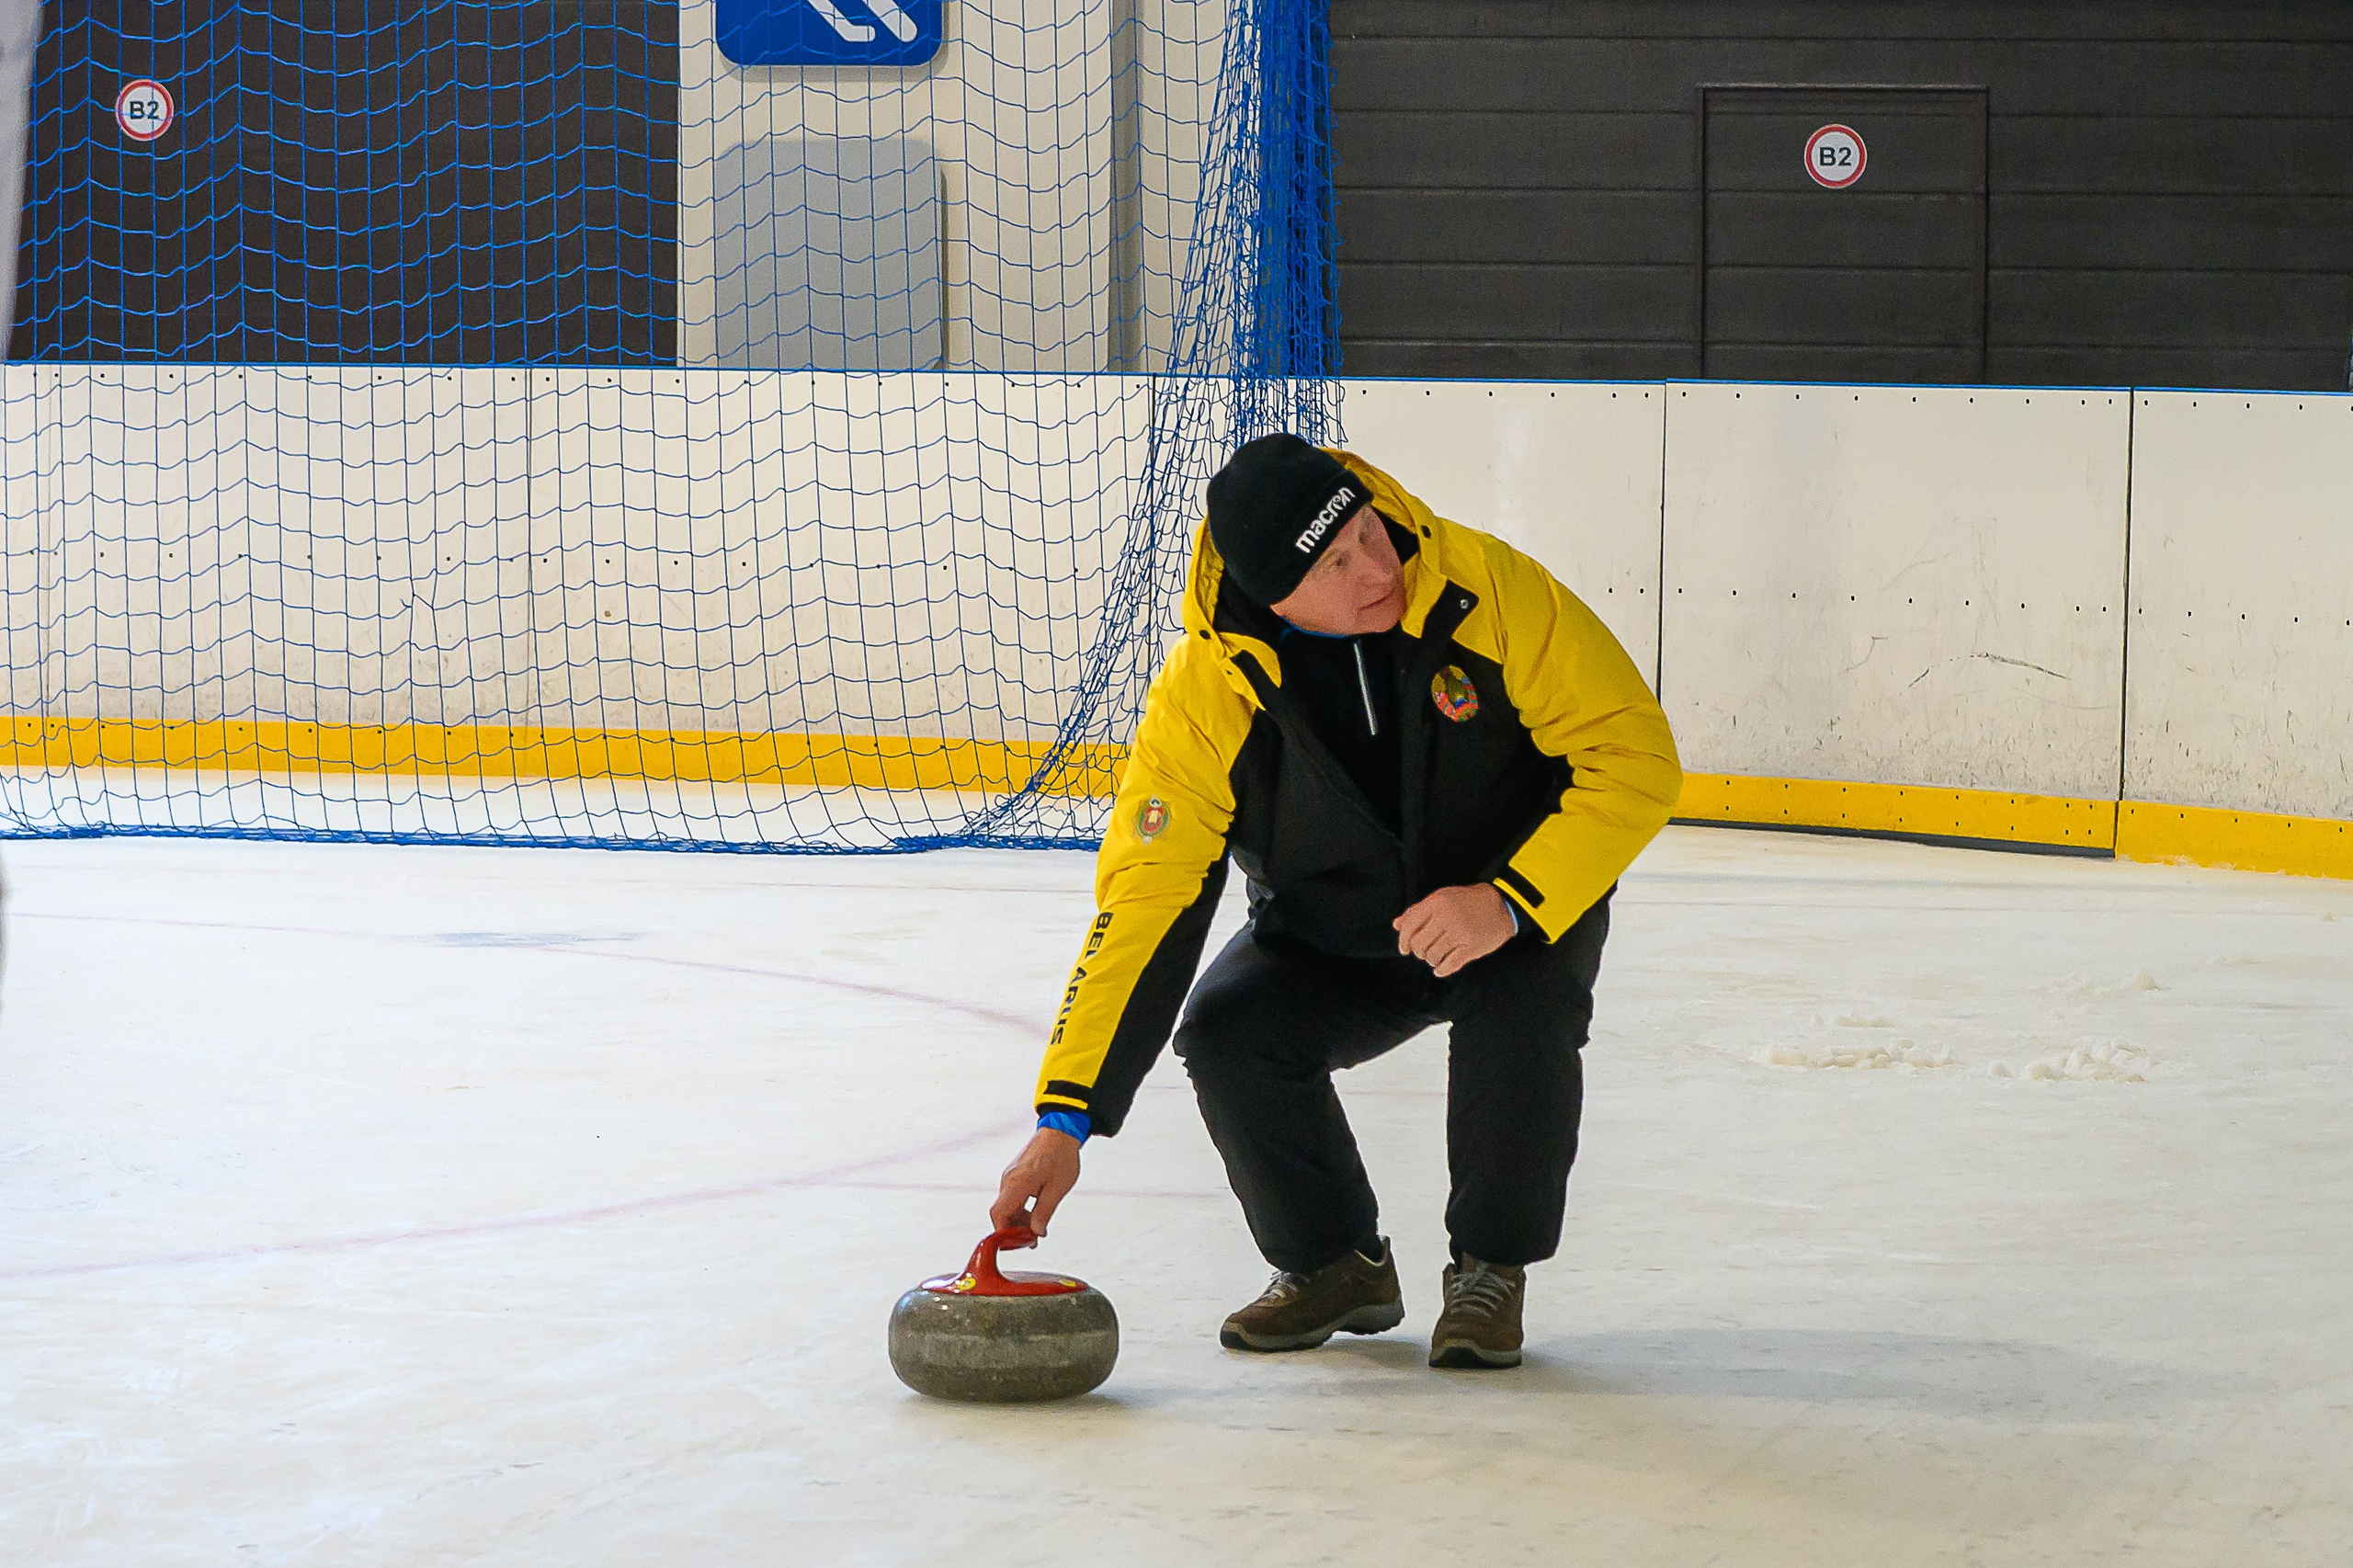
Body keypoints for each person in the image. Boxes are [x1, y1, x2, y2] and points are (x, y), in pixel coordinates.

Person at [990, 433, 1681, 1369]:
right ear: (1275, 597)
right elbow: (1145, 899)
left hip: (1509, 905)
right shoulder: (1206, 699)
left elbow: (1633, 754)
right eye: (1335, 562)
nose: (1375, 568)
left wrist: (1508, 899)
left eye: (1366, 532)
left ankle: (1490, 1269)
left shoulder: (1486, 590)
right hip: (1335, 930)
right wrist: (1063, 1116)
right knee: (1229, 1027)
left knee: (1520, 1007)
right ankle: (1332, 1263)